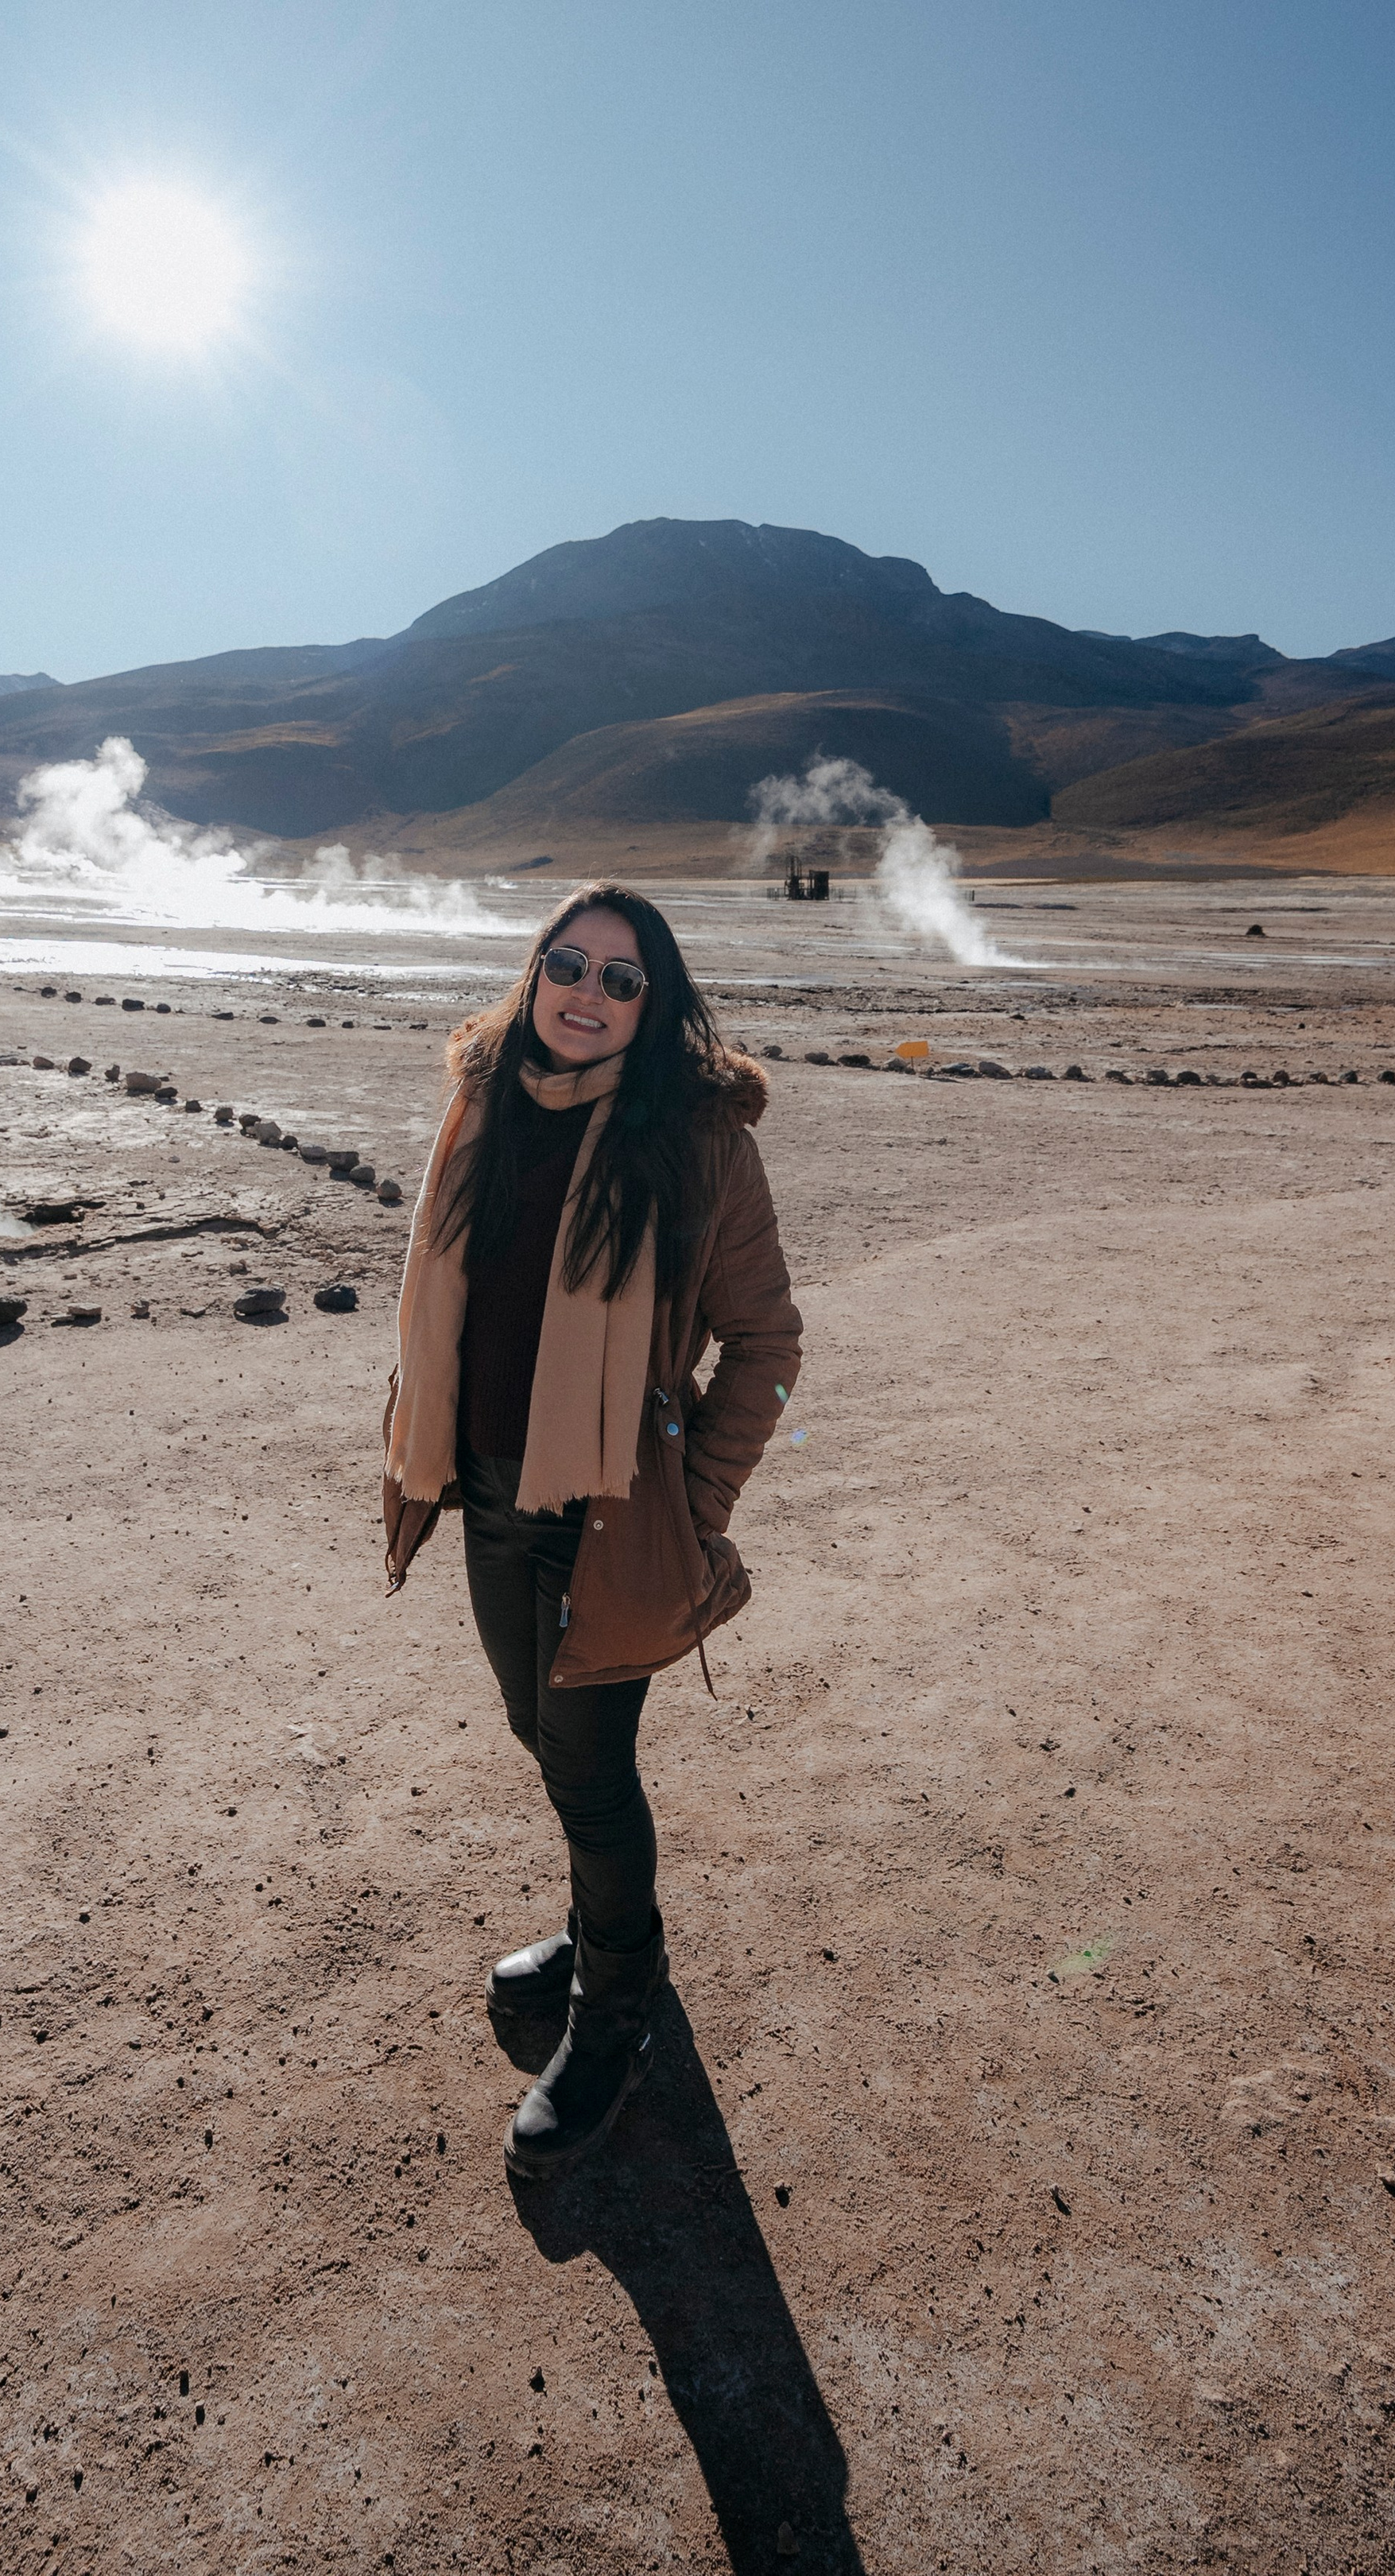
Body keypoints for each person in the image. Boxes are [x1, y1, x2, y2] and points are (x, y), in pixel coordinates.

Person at [383, 883, 802, 2180]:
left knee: (591, 1762)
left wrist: (699, 1505)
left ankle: (616, 2004)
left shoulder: (698, 1143)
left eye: (623, 978)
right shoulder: (486, 1106)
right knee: (542, 1732)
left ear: (656, 1002)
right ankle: (600, 1927)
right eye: (569, 964)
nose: (589, 992)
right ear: (534, 974)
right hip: (490, 1493)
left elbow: (768, 1342)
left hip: (617, 1515)